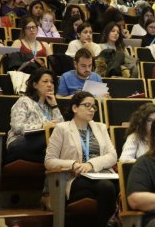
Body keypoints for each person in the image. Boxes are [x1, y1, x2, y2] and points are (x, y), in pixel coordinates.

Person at [45, 91, 117, 227]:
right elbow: (49, 161)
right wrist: (73, 164)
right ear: (75, 108)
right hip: (75, 178)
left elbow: (112, 156)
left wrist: (91, 164)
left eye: (94, 106)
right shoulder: (62, 129)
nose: (91, 109)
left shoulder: (100, 127)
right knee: (107, 187)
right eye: (87, 105)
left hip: (100, 173)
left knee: (121, 185)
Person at [6, 68, 64, 162]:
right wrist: (43, 126)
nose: (49, 85)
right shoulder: (24, 101)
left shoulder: (50, 106)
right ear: (35, 84)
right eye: (45, 81)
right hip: (20, 142)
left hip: (43, 144)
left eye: (52, 82)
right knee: (51, 135)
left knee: (62, 136)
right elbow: (17, 126)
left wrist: (54, 106)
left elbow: (62, 128)